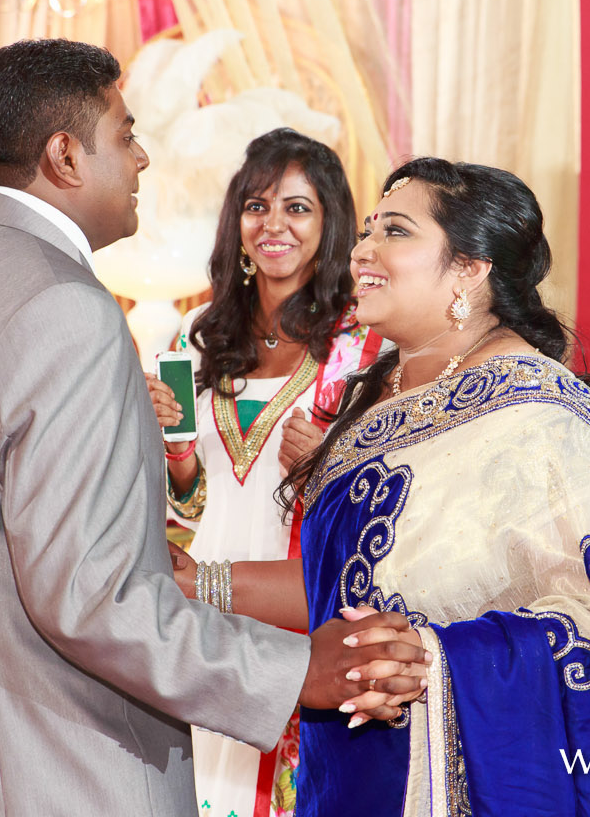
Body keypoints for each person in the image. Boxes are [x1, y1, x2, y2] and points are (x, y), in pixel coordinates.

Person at [0, 38, 426, 817]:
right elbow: (93, 597)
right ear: (64, 156)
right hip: (50, 761)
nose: (144, 158)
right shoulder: (64, 307)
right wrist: (294, 673)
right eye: (124, 134)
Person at [174, 157, 590, 815]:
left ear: (470, 269)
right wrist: (202, 583)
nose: (362, 250)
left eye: (394, 231)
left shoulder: (540, 422)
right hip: (353, 772)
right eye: (365, 231)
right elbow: (348, 596)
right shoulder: (387, 400)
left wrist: (439, 660)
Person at [146, 127, 385, 816]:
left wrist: (329, 464)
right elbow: (184, 510)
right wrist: (174, 452)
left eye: (297, 208)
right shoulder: (192, 338)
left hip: (294, 613)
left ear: (330, 221)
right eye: (257, 206)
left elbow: (389, 509)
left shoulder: (363, 347)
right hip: (198, 609)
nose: (273, 225)